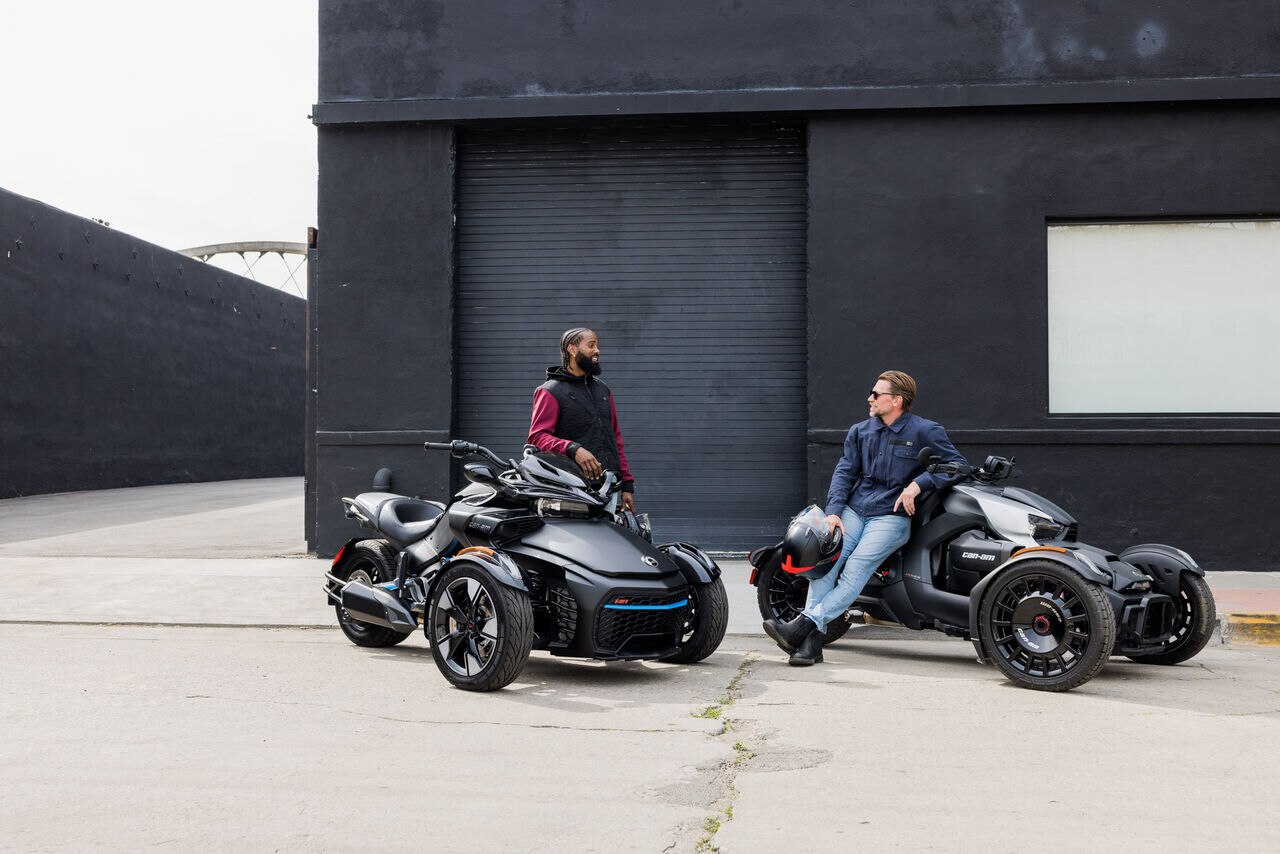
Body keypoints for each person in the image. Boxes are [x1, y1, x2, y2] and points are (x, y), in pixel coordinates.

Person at [763, 370, 965, 666]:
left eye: (876, 394)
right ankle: (809, 643)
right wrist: (834, 513)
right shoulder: (861, 431)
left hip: (891, 517)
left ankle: (804, 626)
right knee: (824, 565)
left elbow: (957, 465)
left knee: (856, 567)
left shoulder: (925, 431)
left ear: (896, 400)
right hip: (854, 512)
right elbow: (845, 472)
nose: (869, 398)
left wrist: (918, 484)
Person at [527, 327, 636, 513]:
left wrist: (626, 484)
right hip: (572, 491)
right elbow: (537, 437)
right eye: (591, 345)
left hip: (610, 489)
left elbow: (615, 439)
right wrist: (573, 449)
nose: (597, 351)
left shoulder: (603, 391)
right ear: (572, 349)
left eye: (598, 346)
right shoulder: (550, 391)